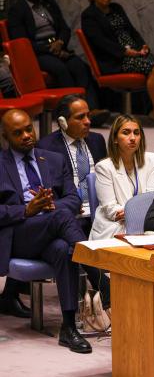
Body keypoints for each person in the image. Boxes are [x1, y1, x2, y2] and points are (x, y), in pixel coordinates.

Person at [0, 109, 91, 353]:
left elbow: (73, 198)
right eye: (17, 133)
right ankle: (97, 273)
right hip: (19, 235)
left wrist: (52, 206)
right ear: (5, 137)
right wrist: (25, 210)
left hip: (52, 230)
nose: (26, 135)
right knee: (61, 218)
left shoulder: (53, 159)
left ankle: (69, 327)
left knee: (62, 249)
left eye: (29, 129)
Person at [7, 0, 109, 127]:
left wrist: (60, 42)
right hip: (37, 53)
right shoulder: (17, 10)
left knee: (80, 67)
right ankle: (73, 114)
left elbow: (64, 28)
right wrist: (50, 49)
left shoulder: (49, 4)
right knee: (61, 69)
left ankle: (91, 110)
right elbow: (21, 42)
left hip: (58, 48)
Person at [37, 94, 111, 309]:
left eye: (88, 115)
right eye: (80, 117)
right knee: (75, 232)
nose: (88, 121)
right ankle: (102, 286)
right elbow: (50, 191)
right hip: (69, 213)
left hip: (98, 209)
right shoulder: (47, 147)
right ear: (62, 122)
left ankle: (109, 289)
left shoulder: (97, 140)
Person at [81, 0, 154, 129]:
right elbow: (101, 43)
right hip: (115, 60)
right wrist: (125, 52)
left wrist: (142, 46)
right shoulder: (89, 15)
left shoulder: (116, 8)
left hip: (133, 53)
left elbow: (131, 31)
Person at [89, 114, 154, 240]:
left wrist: (132, 212)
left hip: (146, 225)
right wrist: (141, 211)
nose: (132, 138)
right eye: (126, 133)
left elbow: (153, 198)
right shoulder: (104, 167)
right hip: (114, 228)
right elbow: (111, 209)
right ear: (115, 139)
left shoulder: (152, 160)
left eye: (136, 133)